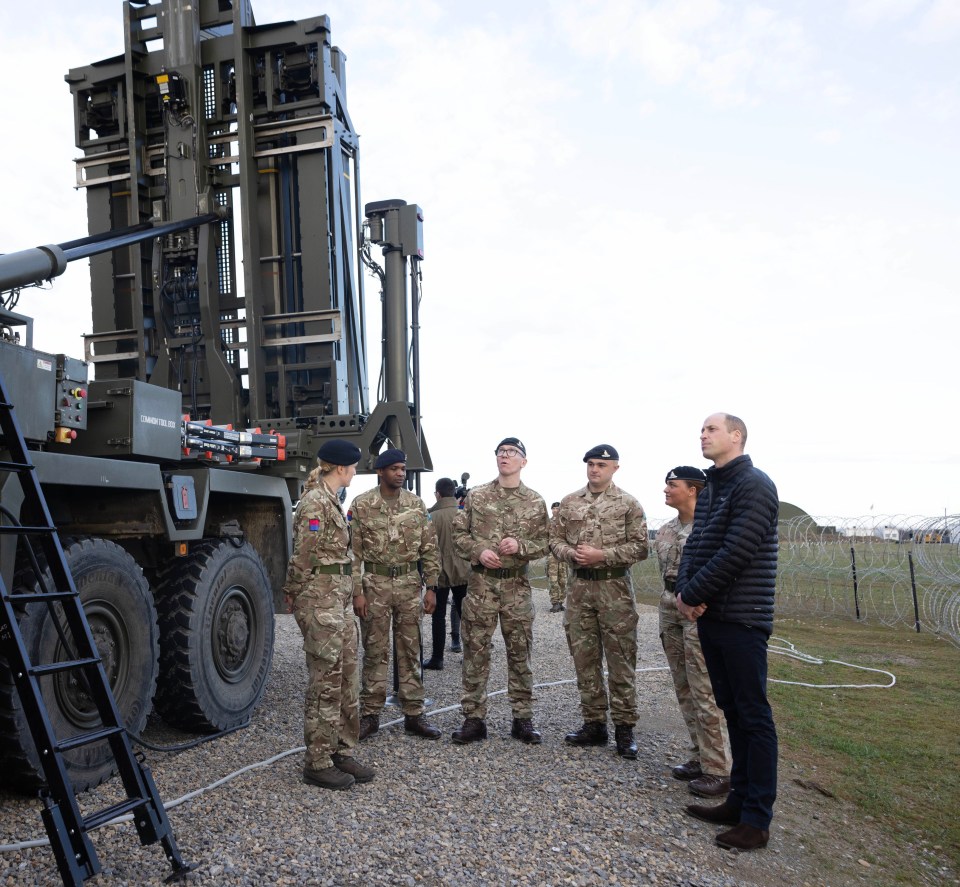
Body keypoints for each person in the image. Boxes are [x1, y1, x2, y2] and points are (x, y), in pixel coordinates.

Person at [677, 413, 779, 852]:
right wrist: (685, 590)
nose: (702, 434)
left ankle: (757, 819)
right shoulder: (716, 485)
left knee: (753, 715)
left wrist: (693, 592)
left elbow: (738, 549)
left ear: (735, 436)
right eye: (701, 429)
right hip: (714, 614)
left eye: (711, 429)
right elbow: (696, 545)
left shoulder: (754, 484)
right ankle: (737, 801)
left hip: (742, 616)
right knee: (732, 711)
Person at [283, 438, 375, 791]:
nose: (355, 472)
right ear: (341, 468)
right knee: (326, 681)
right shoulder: (314, 503)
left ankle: (341, 749)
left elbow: (344, 559)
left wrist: (352, 594)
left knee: (347, 676)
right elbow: (303, 557)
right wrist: (293, 594)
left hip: (337, 602)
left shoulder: (332, 501)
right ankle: (318, 760)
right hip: (320, 602)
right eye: (353, 467)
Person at [551, 444, 648, 759]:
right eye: (591, 464)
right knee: (585, 659)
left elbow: (640, 547)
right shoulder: (569, 503)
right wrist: (571, 554)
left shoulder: (628, 504)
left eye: (601, 465)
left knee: (621, 660)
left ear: (614, 468)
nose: (595, 469)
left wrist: (602, 555)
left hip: (614, 589)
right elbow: (554, 540)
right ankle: (594, 723)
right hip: (580, 590)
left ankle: (624, 728)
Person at [450, 437, 548, 745]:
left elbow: (547, 542)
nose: (505, 456)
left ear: (524, 461)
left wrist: (522, 546)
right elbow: (458, 534)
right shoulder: (477, 496)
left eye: (513, 452)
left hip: (517, 587)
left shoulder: (534, 501)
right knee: (475, 651)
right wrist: (478, 550)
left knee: (520, 653)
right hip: (481, 586)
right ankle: (474, 719)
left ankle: (522, 719)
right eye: (501, 452)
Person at [351, 448, 442, 741]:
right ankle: (370, 715)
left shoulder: (416, 504)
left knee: (410, 650)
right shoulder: (362, 504)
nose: (401, 473)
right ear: (381, 471)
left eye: (403, 468)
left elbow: (429, 548)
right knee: (375, 651)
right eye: (394, 469)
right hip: (374, 584)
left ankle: (414, 714)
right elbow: (353, 554)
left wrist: (432, 587)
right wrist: (357, 593)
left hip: (407, 583)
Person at [655, 466, 731, 798]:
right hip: (670, 604)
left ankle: (719, 769)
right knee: (683, 685)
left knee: (704, 689)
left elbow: (721, 569)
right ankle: (700, 756)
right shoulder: (666, 529)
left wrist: (701, 599)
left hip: (699, 610)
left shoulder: (712, 527)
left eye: (672, 485)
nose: (666, 490)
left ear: (693, 491)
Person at [424, 477, 471, 670]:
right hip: (463, 571)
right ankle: (471, 656)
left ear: (438, 493)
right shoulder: (463, 514)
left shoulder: (430, 516)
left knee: (438, 616)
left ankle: (437, 658)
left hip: (438, 572)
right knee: (467, 614)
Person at [546, 502, 568, 613]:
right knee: (553, 579)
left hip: (563, 555)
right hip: (552, 555)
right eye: (553, 508)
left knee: (563, 580)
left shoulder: (564, 523)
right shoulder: (548, 523)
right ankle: (555, 603)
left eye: (557, 508)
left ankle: (561, 602)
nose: (555, 510)